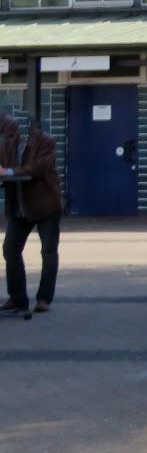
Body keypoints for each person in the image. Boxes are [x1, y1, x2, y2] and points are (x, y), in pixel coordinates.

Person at [1, 115, 62, 314]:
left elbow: (37, 169)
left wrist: (9, 172)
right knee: (10, 249)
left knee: (48, 252)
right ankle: (17, 298)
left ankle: (44, 299)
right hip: (20, 208)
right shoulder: (7, 146)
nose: (13, 133)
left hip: (45, 207)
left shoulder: (45, 142)